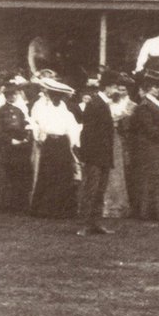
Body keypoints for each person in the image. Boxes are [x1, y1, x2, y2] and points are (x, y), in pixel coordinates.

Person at [29, 78, 80, 218]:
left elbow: (73, 130)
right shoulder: (44, 111)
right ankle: (44, 209)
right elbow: (38, 124)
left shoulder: (67, 113)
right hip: (50, 143)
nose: (56, 98)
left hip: (62, 144)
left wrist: (72, 145)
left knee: (63, 175)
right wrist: (41, 137)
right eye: (53, 96)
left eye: (58, 96)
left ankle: (62, 209)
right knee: (47, 174)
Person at [77, 70, 120, 235]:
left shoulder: (102, 103)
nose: (115, 90)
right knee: (91, 189)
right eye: (114, 87)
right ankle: (85, 224)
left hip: (103, 155)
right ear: (107, 87)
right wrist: (86, 156)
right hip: (94, 155)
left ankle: (96, 222)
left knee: (100, 190)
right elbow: (87, 133)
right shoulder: (94, 104)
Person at [129, 70, 159, 220]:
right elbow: (148, 128)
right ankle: (148, 212)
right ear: (148, 87)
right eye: (155, 87)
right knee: (150, 178)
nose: (158, 90)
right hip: (149, 146)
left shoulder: (155, 103)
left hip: (157, 145)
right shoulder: (145, 105)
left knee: (158, 177)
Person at [0, 82, 33, 213]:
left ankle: (18, 204)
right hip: (5, 147)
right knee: (3, 175)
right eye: (9, 95)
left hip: (19, 148)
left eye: (14, 94)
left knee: (18, 174)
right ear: (5, 96)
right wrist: (10, 140)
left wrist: (26, 136)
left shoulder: (20, 111)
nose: (12, 97)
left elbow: (25, 125)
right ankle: (1, 205)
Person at [103, 78, 135, 219]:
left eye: (123, 90)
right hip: (109, 138)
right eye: (118, 89)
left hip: (124, 141)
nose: (120, 92)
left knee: (121, 171)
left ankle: (120, 205)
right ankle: (108, 204)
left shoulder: (131, 106)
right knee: (111, 171)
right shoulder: (107, 105)